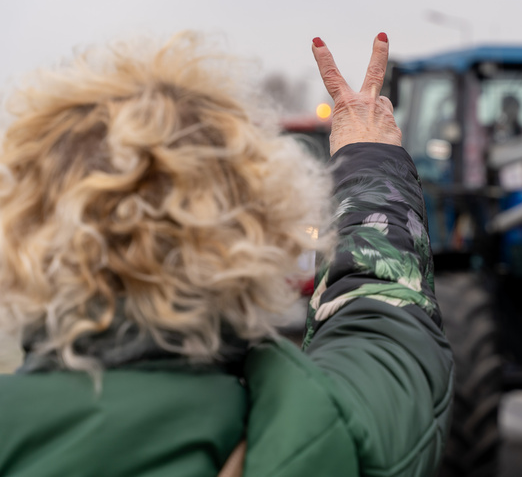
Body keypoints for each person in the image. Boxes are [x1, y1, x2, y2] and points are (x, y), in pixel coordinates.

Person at [0, 32, 452, 476]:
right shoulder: (321, 423)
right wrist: (368, 156)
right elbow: (389, 323)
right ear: (258, 220)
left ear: (22, 229)